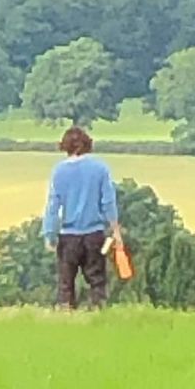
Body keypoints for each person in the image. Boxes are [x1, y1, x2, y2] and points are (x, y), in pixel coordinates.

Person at [41, 126, 122, 310]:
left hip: (68, 236)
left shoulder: (59, 171)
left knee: (66, 283)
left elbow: (53, 205)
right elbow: (108, 202)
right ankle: (98, 311)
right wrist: (115, 231)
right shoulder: (100, 168)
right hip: (94, 234)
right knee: (97, 280)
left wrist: (49, 234)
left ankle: (66, 312)